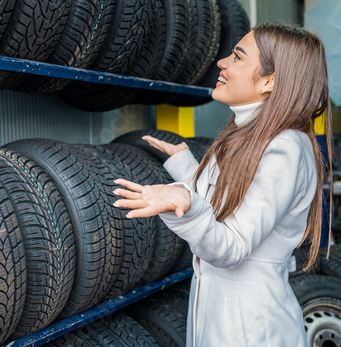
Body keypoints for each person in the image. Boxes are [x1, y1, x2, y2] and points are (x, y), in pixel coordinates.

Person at [113, 21, 333, 346]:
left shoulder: (283, 147)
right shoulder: (248, 133)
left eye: (238, 56)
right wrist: (186, 166)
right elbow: (228, 204)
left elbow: (232, 247)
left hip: (249, 329)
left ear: (269, 81)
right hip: (226, 316)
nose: (222, 62)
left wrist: (183, 205)